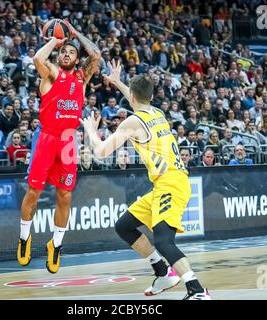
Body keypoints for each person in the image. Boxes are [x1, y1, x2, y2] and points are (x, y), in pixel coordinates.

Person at [80, 60, 210, 300]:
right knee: (124, 226)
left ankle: (198, 291)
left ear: (132, 94)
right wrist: (118, 80)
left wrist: (90, 130)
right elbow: (134, 99)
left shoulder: (133, 122)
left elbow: (99, 152)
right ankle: (162, 272)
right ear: (150, 95)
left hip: (170, 184)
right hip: (167, 183)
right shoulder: (156, 112)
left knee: (163, 240)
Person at [18, 20, 101, 274]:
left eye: (71, 51)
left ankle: (56, 245)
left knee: (65, 195)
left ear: (77, 59)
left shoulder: (81, 77)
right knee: (33, 192)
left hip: (67, 139)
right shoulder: (52, 73)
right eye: (64, 51)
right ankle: (24, 238)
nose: (66, 53)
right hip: (46, 138)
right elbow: (36, 59)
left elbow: (96, 55)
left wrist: (75, 34)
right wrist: (55, 40)